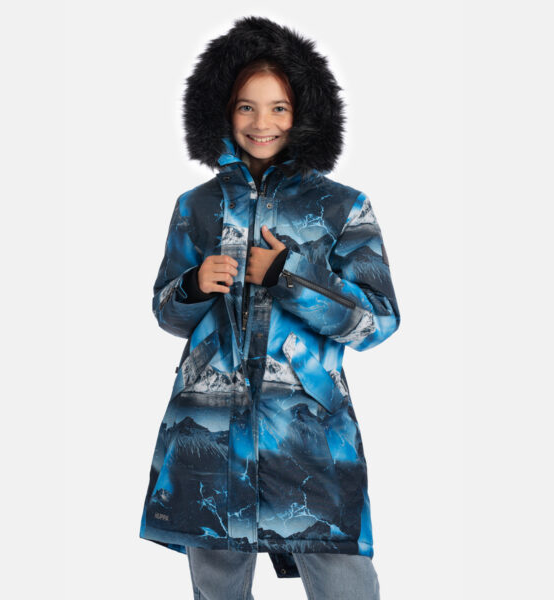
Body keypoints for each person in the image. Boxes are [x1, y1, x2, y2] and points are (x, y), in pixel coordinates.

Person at [139, 16, 400, 600]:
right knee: (216, 583)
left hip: (307, 435)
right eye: (246, 107)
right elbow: (167, 313)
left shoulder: (342, 208)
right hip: (208, 426)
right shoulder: (195, 207)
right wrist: (193, 286)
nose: (262, 123)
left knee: (342, 581)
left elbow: (378, 321)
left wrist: (290, 279)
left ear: (304, 113)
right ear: (220, 112)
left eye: (279, 108)